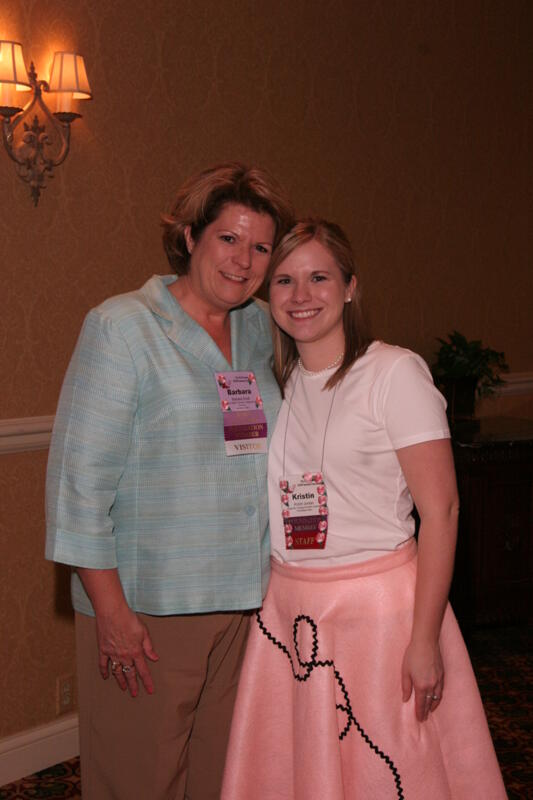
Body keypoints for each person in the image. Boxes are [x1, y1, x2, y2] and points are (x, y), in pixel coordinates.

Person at [221, 219, 507, 799]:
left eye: (319, 277)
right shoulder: (275, 384)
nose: (301, 297)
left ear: (350, 287)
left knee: (389, 773)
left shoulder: (393, 373)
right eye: (283, 281)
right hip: (288, 608)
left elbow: (443, 511)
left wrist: (425, 639)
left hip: (380, 617)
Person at [45, 162, 294, 800]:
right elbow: (78, 489)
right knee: (139, 783)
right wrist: (112, 612)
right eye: (228, 239)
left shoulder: (264, 327)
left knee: (222, 781)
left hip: (244, 605)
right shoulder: (122, 327)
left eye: (260, 246)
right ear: (189, 237)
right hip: (150, 614)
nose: (244, 260)